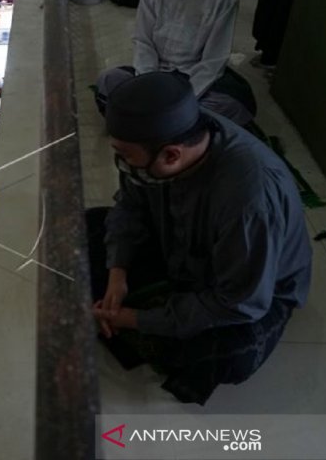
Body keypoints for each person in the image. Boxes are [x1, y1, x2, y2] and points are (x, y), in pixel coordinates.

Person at [88, 72, 311, 405]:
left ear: (172, 156)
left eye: (125, 155)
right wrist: (117, 273)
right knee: (88, 226)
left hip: (250, 286)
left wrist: (134, 319)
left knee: (231, 355)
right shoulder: (165, 141)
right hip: (180, 249)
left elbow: (237, 301)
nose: (121, 162)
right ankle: (152, 310)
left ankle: (149, 323)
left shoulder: (248, 199)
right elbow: (130, 206)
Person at [94, 0, 255, 126]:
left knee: (232, 105)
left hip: (191, 76)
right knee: (108, 80)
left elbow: (213, 61)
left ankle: (152, 124)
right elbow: (144, 41)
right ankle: (173, 126)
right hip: (155, 72)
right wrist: (148, 82)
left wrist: (183, 100)